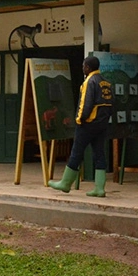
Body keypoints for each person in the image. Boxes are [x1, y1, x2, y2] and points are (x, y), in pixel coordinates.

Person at [48, 56, 113, 197]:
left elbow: (86, 103)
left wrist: (79, 119)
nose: (82, 68)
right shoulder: (106, 82)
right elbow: (111, 104)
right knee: (99, 154)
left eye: (84, 66)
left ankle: (65, 183)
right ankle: (100, 188)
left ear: (88, 67)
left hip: (87, 124)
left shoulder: (89, 81)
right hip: (102, 124)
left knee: (76, 152)